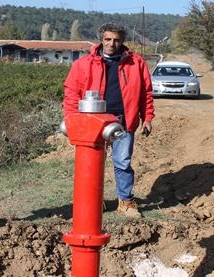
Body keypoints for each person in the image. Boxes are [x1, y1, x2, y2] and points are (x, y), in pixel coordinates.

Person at [63, 22, 155, 218]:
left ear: (123, 41)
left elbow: (146, 93)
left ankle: (126, 202)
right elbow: (71, 93)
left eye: (116, 40)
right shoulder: (83, 64)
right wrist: (70, 119)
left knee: (122, 162)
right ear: (101, 39)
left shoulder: (136, 63)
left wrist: (147, 117)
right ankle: (94, 202)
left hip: (123, 121)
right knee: (93, 163)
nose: (112, 43)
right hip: (92, 123)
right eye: (108, 39)